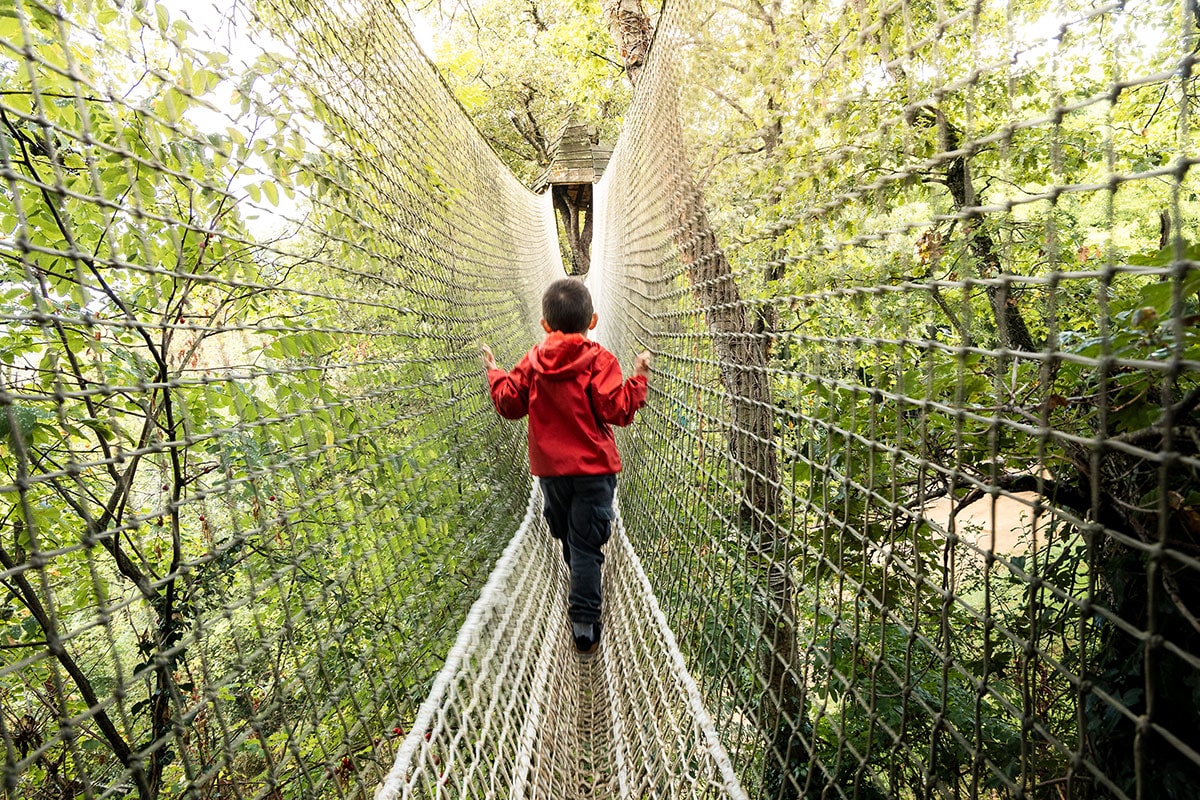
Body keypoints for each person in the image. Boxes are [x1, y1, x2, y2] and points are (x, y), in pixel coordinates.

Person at [482, 278, 651, 654]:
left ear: (545, 325)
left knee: (572, 539)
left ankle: (584, 617)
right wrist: (638, 379)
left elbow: (510, 405)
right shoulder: (600, 360)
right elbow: (618, 410)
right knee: (585, 544)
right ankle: (585, 619)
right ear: (592, 321)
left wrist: (494, 373)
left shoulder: (533, 360)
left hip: (552, 475)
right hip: (594, 472)